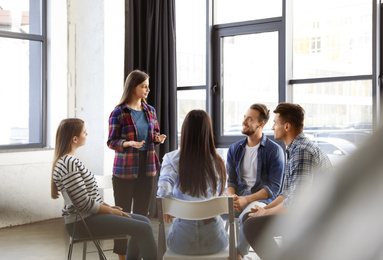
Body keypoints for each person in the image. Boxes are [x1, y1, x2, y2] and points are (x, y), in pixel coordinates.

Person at [51, 118, 157, 260]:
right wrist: (111, 211)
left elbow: (86, 198)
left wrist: (108, 207)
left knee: (145, 221)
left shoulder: (68, 161)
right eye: (84, 132)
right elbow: (84, 203)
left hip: (89, 217)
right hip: (83, 223)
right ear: (75, 139)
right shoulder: (68, 163)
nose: (87, 134)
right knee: (143, 228)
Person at [243, 102, 332, 260]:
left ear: (287, 127)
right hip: (303, 211)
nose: (272, 128)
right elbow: (286, 193)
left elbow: (296, 201)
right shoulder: (295, 149)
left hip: (314, 217)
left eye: (275, 123)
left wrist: (266, 212)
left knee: (251, 225)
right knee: (249, 217)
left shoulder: (302, 151)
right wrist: (264, 210)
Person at [107, 70, 166, 259]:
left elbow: (153, 136)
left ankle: (136, 255)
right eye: (144, 86)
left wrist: (158, 138)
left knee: (142, 215)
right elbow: (111, 141)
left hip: (147, 168)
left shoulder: (150, 111)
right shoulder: (118, 112)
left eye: (148, 86)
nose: (148, 89)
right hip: (124, 170)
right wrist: (127, 143)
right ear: (133, 87)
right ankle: (122, 256)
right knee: (122, 215)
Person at [157, 110, 229, 255]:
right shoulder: (219, 161)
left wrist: (167, 204)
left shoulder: (171, 159)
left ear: (184, 131)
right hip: (215, 242)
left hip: (182, 243)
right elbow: (222, 193)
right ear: (208, 133)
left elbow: (164, 187)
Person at [225, 103, 285, 260]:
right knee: (210, 212)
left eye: (249, 119)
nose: (244, 121)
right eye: (244, 117)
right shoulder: (234, 149)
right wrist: (232, 196)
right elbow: (231, 181)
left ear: (261, 124)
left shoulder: (274, 151)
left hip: (262, 199)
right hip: (238, 198)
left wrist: (247, 199)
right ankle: (219, 251)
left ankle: (238, 255)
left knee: (248, 218)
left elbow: (273, 188)